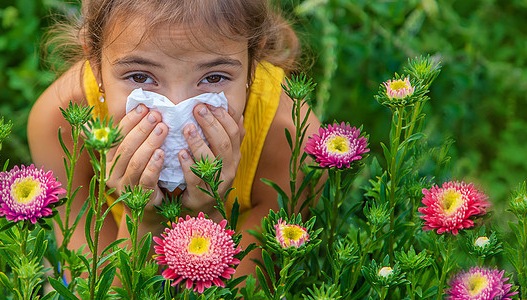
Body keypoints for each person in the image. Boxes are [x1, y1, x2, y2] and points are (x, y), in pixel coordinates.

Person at [28, 0, 321, 279]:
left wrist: (208, 211)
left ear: (252, 63)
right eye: (141, 78)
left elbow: (245, 289)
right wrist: (142, 221)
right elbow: (90, 290)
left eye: (214, 78)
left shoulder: (290, 139)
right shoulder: (63, 123)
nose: (177, 113)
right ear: (94, 63)